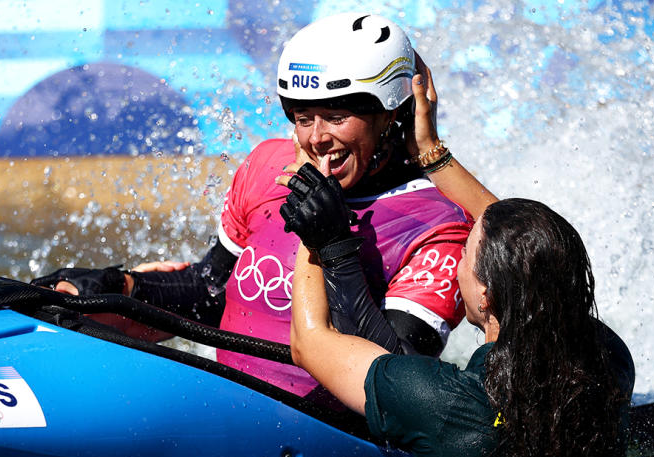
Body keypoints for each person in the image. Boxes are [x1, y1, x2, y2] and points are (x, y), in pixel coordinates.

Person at [33, 13, 491, 404]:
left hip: (323, 433)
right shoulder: (269, 163)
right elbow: (213, 291)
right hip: (229, 397)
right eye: (303, 116)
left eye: (335, 116)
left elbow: (400, 388)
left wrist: (335, 246)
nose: (316, 139)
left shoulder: (440, 224)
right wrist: (122, 285)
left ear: (390, 115)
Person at [286, 69, 635, 457]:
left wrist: (318, 230)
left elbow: (309, 341)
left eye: (464, 255)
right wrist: (429, 150)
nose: (453, 269)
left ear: (485, 295)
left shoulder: (440, 402)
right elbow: (533, 258)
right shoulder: (609, 361)